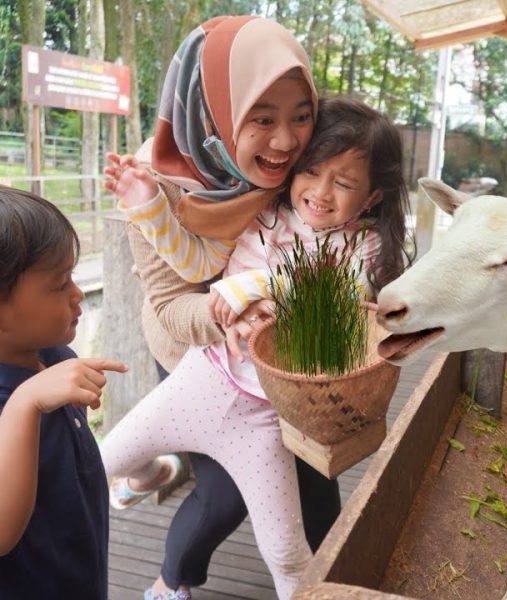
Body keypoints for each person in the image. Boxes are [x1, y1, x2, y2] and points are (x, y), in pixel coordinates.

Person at [102, 95, 412, 600]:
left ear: (373, 197)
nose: (321, 191)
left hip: (268, 417)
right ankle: (149, 477)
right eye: (311, 171)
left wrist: (252, 288)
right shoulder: (264, 213)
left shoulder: (366, 247)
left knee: (286, 551)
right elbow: (188, 260)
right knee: (98, 461)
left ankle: (177, 582)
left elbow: (338, 292)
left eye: (346, 182)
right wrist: (147, 203)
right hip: (201, 379)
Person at [103, 16, 341, 600]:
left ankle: (336, 582)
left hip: (287, 359)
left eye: (300, 116)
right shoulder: (157, 183)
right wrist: (226, 316)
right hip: (197, 353)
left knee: (318, 482)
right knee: (223, 496)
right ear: (212, 111)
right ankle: (168, 585)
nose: (286, 141)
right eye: (261, 119)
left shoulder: (307, 166)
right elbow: (167, 305)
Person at [0, 187, 127, 598]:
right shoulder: (14, 396)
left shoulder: (54, 356)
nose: (77, 294)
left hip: (80, 573)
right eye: (58, 285)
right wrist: (24, 404)